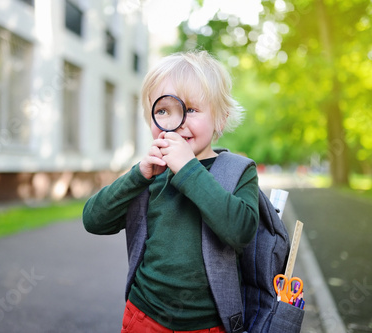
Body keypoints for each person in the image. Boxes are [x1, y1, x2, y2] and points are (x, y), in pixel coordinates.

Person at [83, 50, 259, 333]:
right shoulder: (150, 172)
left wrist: (189, 169)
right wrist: (136, 177)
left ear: (221, 120)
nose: (177, 122)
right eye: (163, 110)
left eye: (190, 110)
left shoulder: (239, 171)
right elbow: (93, 221)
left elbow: (241, 231)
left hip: (208, 324)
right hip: (144, 316)